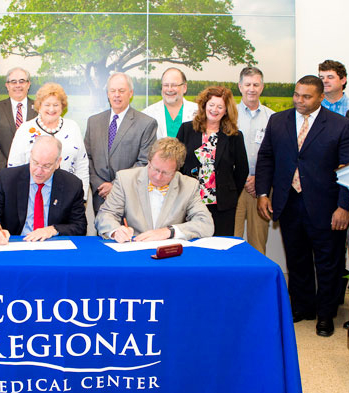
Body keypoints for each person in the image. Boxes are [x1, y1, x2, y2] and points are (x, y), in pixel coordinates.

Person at [255, 75, 349, 337]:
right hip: (289, 202)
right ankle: (302, 307)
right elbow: (266, 157)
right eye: (296, 94)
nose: (299, 100)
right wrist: (263, 194)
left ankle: (325, 315)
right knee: (297, 259)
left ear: (321, 97)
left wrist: (343, 206)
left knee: (328, 262)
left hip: (326, 207)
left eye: (306, 96)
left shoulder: (341, 126)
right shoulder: (278, 121)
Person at [95, 137, 214, 242]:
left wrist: (169, 232)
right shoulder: (126, 179)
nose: (158, 177)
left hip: (169, 253)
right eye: (155, 169)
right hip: (134, 247)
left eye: (166, 173)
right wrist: (115, 231)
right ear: (149, 161)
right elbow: (106, 214)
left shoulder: (189, 186)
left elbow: (206, 224)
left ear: (176, 171)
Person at [0, 136, 87, 244]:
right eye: (35, 163)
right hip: (16, 244)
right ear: (30, 156)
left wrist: (53, 230)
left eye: (46, 166)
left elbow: (80, 226)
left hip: (52, 245)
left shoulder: (72, 185)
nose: (38, 171)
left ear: (58, 162)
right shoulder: (7, 179)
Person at [177, 86, 248, 236]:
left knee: (220, 247)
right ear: (204, 106)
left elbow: (242, 170)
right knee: (192, 246)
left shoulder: (234, 136)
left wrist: (230, 192)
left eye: (220, 106)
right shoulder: (187, 129)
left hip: (222, 205)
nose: (214, 110)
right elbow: (176, 164)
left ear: (226, 110)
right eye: (211, 105)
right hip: (191, 202)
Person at [85, 72, 158, 213]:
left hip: (130, 196)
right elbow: (87, 158)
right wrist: (99, 185)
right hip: (100, 196)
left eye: (121, 91)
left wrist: (115, 186)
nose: (116, 95)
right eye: (112, 91)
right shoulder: (93, 122)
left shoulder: (146, 123)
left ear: (130, 93)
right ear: (107, 94)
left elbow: (144, 162)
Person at [7, 82, 89, 199]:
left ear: (62, 106)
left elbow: (82, 164)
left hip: (68, 196)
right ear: (39, 106)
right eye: (47, 104)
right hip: (32, 197)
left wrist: (82, 196)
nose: (51, 109)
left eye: (56, 105)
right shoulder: (25, 130)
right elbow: (14, 167)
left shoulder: (73, 127)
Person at [234, 67, 275, 253]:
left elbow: (276, 154)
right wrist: (242, 177)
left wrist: (258, 178)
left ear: (262, 87)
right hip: (234, 187)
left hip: (260, 188)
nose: (252, 89)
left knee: (258, 243)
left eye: (256, 84)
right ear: (240, 86)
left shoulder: (273, 118)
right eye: (248, 84)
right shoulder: (228, 116)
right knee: (230, 241)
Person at [0, 67, 38, 194]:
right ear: (7, 85)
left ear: (28, 84)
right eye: (13, 82)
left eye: (22, 81)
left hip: (34, 179)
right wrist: (9, 169)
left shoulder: (39, 109)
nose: (18, 85)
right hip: (2, 177)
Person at [142, 67, 197, 139]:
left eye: (174, 85)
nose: (169, 89)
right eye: (166, 85)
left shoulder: (199, 111)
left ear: (184, 88)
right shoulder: (147, 114)